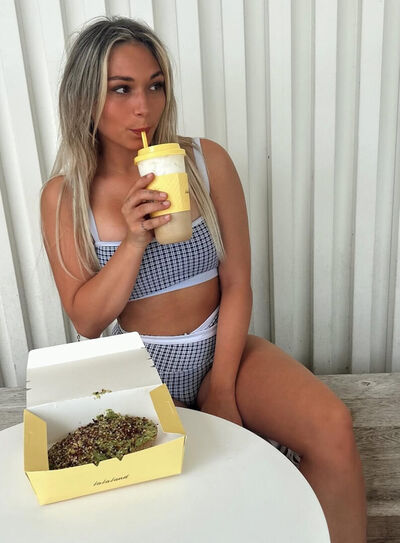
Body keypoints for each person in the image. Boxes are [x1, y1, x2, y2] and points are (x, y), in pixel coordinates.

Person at [40, 16, 366, 542]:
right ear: (85, 97)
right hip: (142, 367)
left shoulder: (204, 161)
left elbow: (237, 283)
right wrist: (134, 239)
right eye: (121, 89)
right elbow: (88, 320)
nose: (143, 107)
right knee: (172, 509)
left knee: (332, 426)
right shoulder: (65, 196)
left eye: (155, 86)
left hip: (224, 348)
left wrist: (221, 386)